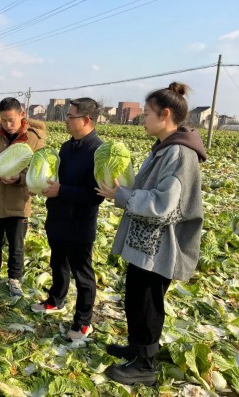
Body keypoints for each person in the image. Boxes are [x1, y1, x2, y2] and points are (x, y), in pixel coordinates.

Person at [96, 82, 206, 386]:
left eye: (146, 114)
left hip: (161, 247)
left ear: (165, 114)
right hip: (146, 243)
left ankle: (144, 365)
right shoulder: (165, 148)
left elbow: (163, 204)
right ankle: (137, 348)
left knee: (148, 303)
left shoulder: (180, 154)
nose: (142, 119)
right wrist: (121, 194)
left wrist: (121, 195)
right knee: (136, 297)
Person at [31, 97, 104, 341]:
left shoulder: (98, 151)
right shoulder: (66, 147)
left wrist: (61, 191)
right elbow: (56, 178)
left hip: (80, 222)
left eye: (70, 116)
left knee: (82, 273)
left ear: (86, 120)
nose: (66, 120)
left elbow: (95, 195)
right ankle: (56, 299)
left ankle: (83, 322)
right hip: (58, 216)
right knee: (58, 262)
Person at [0, 97, 46, 296]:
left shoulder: (34, 138)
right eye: (4, 120)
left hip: (17, 200)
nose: (7, 125)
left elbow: (38, 169)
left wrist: (19, 179)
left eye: (11, 120)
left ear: (22, 115)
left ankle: (14, 279)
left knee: (16, 243)